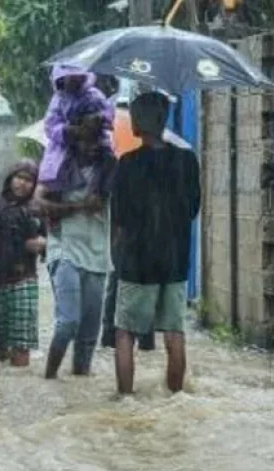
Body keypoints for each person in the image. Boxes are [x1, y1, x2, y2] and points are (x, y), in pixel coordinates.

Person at [111, 92, 201, 396]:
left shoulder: (127, 164)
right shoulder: (187, 160)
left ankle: (125, 399)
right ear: (163, 121)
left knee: (125, 332)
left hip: (137, 261)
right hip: (175, 260)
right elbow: (193, 209)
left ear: (137, 123)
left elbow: (119, 218)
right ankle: (176, 398)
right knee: (174, 332)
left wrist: (117, 254)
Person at [35, 134, 111, 379]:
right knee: (68, 321)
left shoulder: (109, 170)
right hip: (64, 248)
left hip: (97, 253)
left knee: (89, 332)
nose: (92, 145)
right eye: (87, 139)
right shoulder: (59, 167)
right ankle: (49, 378)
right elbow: (37, 203)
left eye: (97, 139)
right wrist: (79, 207)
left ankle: (80, 383)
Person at [38, 64, 116, 230]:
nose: (74, 81)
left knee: (109, 158)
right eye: (70, 78)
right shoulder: (58, 101)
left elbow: (108, 111)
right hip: (67, 236)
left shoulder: (94, 95)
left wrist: (99, 119)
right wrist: (70, 131)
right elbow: (50, 126)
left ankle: (98, 192)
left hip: (95, 235)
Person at [0, 160, 46, 366]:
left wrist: (40, 243)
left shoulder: (36, 209)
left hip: (24, 280)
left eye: (29, 180)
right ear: (10, 178)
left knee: (21, 344)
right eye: (19, 177)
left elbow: (48, 239)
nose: (22, 183)